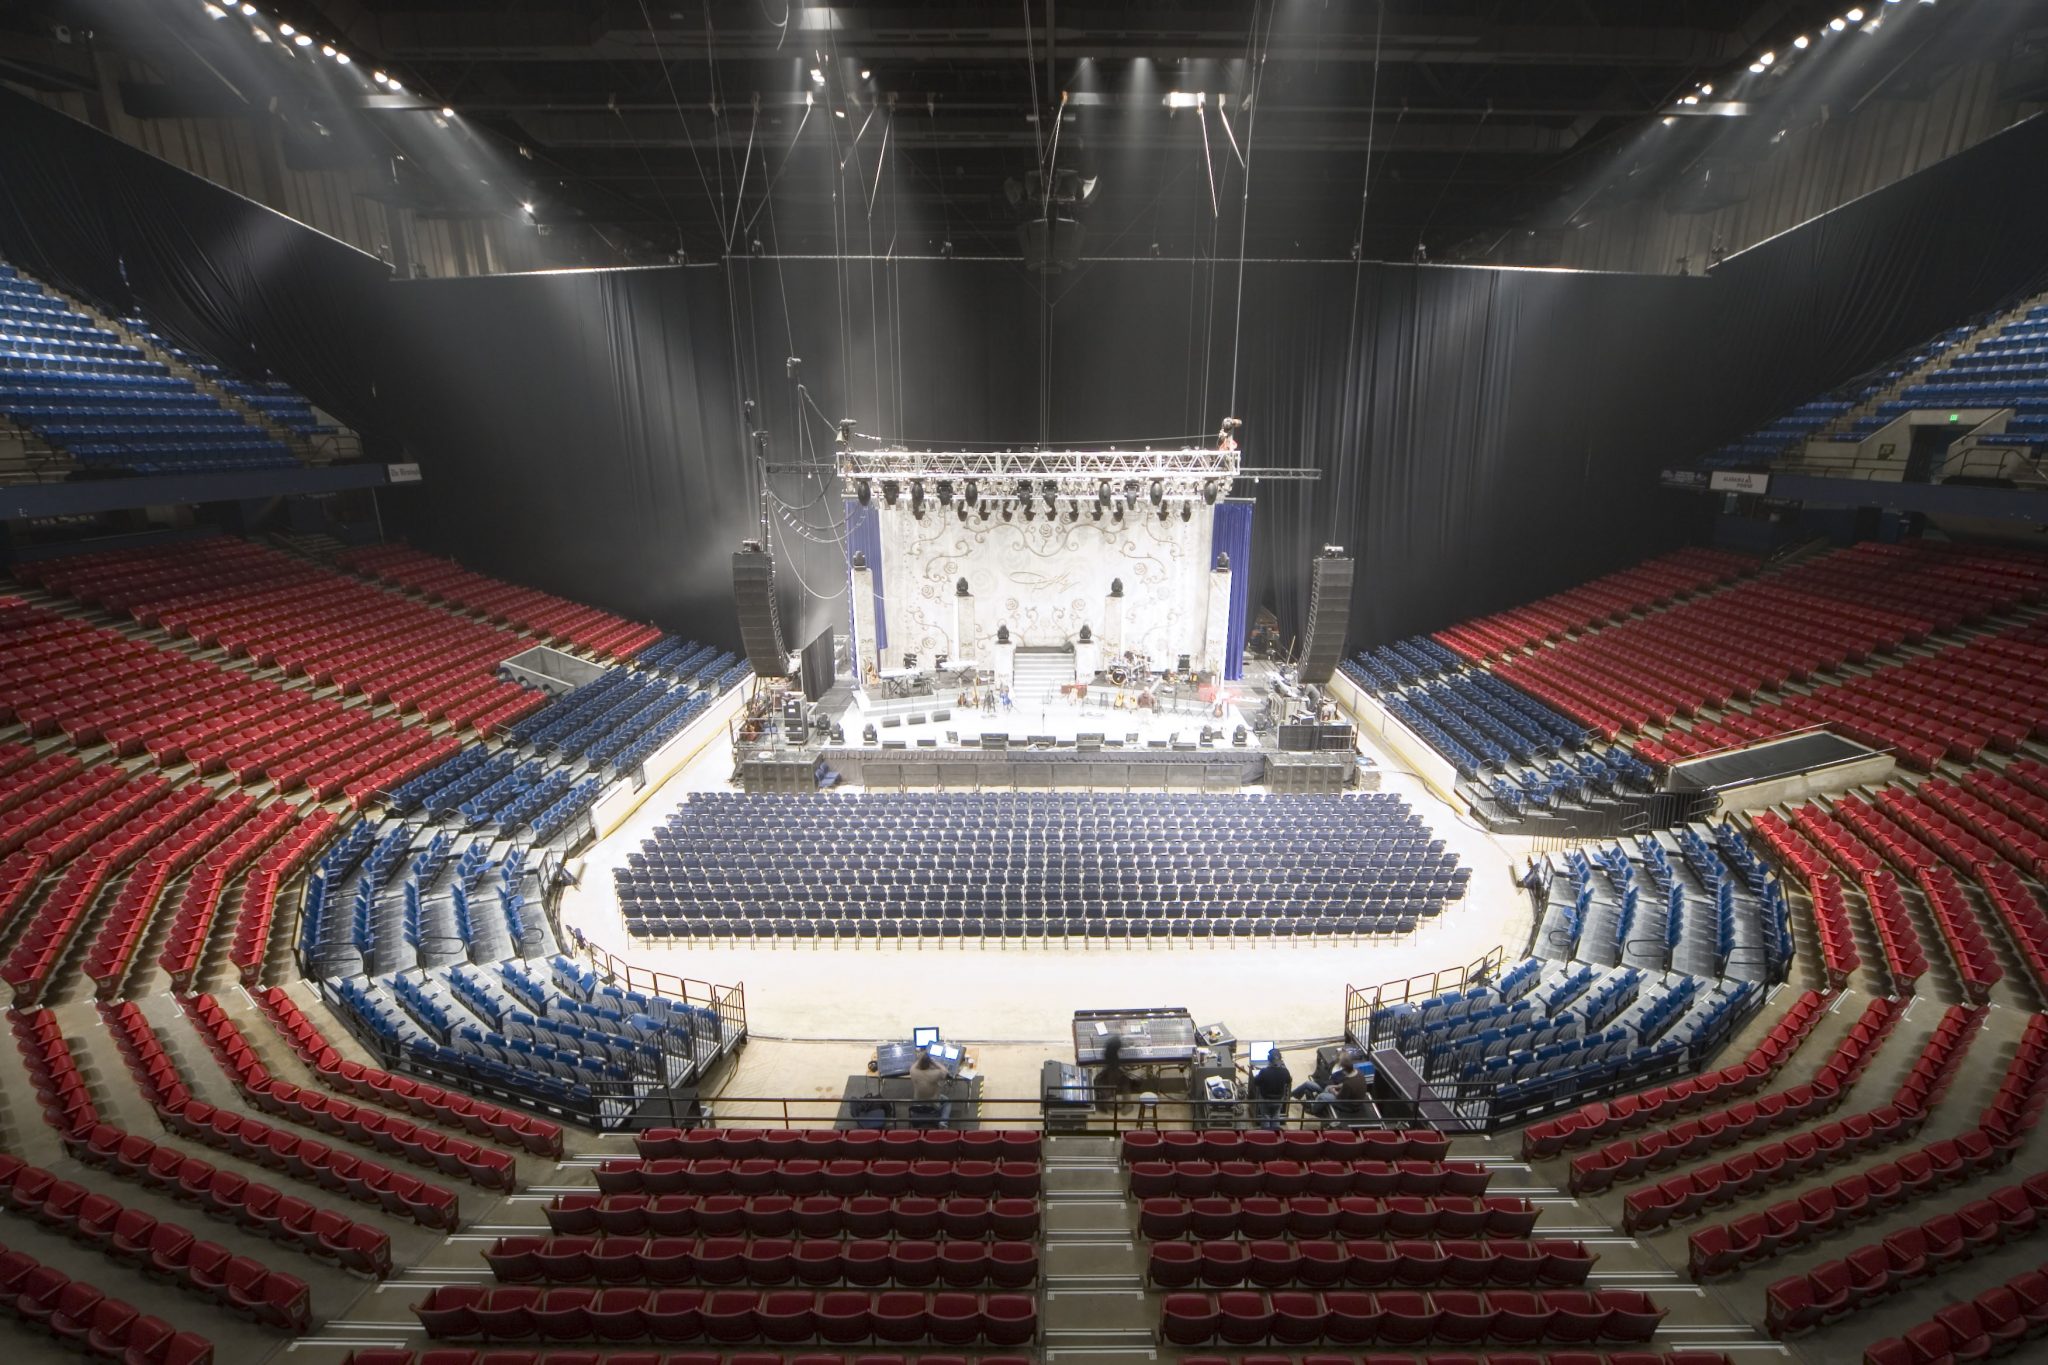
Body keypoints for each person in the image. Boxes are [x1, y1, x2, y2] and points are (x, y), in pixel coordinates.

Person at [1251, 1049, 1293, 1131]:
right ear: (1280, 1060)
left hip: (1266, 1100)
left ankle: (1266, 1137)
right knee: (1276, 1116)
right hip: (1278, 1100)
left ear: (1269, 1059)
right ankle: (1276, 1136)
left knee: (1266, 1117)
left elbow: (1256, 1082)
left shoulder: (1264, 1071)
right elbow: (1289, 1080)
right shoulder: (1285, 1071)